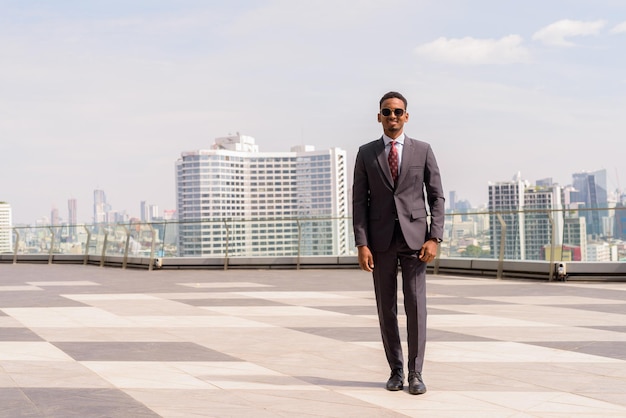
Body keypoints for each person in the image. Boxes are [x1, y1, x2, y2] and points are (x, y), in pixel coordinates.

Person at [352, 91, 445, 395]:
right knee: (386, 308)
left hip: (416, 241)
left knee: (416, 306)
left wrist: (435, 236)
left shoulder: (423, 150)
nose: (392, 117)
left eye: (398, 112)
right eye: (387, 112)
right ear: (379, 116)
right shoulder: (366, 153)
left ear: (407, 116)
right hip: (380, 243)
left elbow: (436, 196)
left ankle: (416, 373)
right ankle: (396, 370)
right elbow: (359, 202)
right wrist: (362, 243)